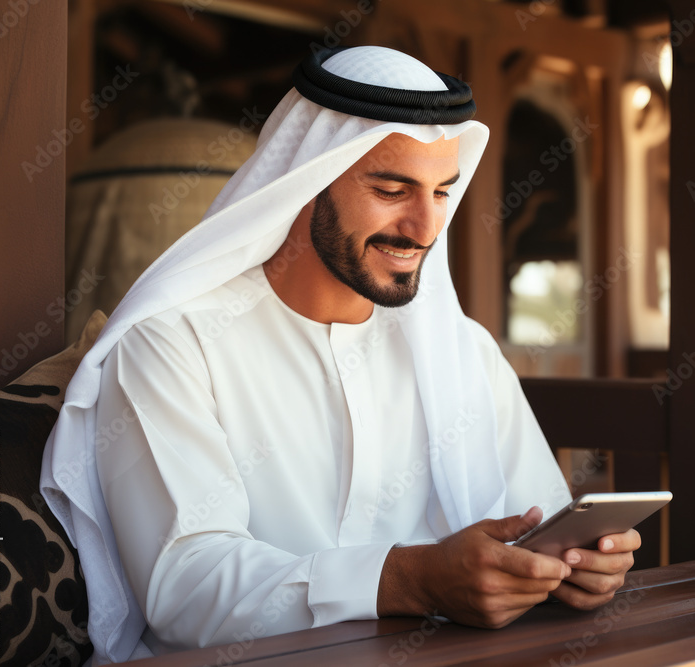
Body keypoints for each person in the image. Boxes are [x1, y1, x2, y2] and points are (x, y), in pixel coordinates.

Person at [41, 46, 640, 664]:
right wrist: (412, 578)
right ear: (306, 179)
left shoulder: (463, 351)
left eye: (441, 192)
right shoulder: (172, 343)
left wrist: (568, 568)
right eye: (391, 189)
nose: (424, 227)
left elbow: (532, 524)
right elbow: (186, 589)